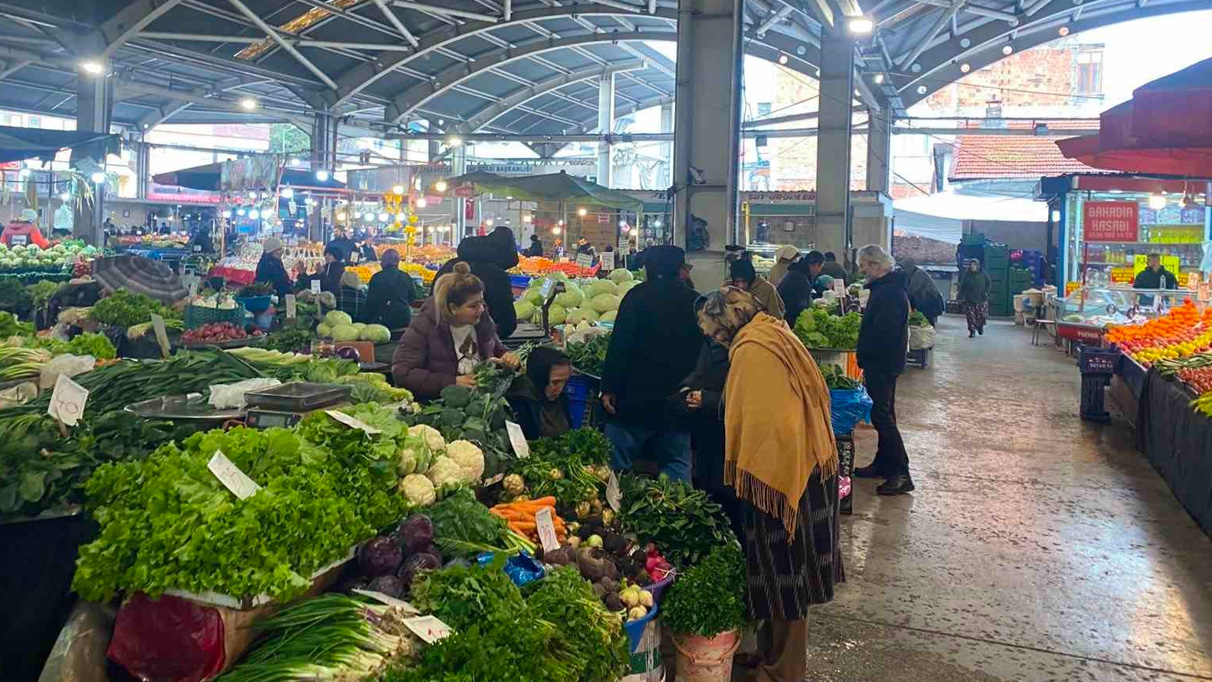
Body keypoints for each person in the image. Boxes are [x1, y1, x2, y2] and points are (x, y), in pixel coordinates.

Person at [696, 287, 842, 682]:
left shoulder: (752, 350)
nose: (714, 339)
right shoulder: (771, 331)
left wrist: (760, 472)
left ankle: (784, 671)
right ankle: (768, 654)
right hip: (803, 468)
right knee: (771, 574)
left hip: (783, 479)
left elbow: (766, 423)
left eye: (715, 330)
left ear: (729, 319)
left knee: (787, 578)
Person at [601, 245, 702, 482]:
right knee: (678, 465)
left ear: (648, 268)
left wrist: (609, 387)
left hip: (635, 397)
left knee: (615, 466)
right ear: (679, 269)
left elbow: (620, 345)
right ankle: (678, 503)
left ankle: (615, 502)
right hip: (678, 400)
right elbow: (703, 351)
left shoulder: (636, 297)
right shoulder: (694, 301)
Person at [392, 262, 519, 399]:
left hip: (481, 399)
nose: (481, 309)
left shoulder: (482, 320)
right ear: (453, 308)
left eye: (481, 302)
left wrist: (508, 357)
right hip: (440, 402)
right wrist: (451, 382)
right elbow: (402, 372)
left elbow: (497, 348)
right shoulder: (425, 325)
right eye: (473, 306)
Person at [853, 244, 914, 496]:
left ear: (876, 266)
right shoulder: (886, 288)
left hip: (882, 363)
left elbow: (884, 333)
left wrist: (868, 354)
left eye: (864, 266)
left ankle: (901, 472)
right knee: (884, 413)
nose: (862, 271)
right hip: (881, 362)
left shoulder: (890, 293)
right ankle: (884, 463)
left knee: (882, 416)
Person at [430, 227, 519, 339]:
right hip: (476, 340)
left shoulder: (449, 266)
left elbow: (431, 304)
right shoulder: (495, 276)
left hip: (438, 335)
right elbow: (506, 323)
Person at [506, 346, 573, 440]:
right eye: (555, 382)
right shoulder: (519, 402)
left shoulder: (561, 399)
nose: (560, 389)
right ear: (540, 378)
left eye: (565, 382)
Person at [364, 248, 418, 329]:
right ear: (398, 262)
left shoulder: (377, 277)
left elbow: (370, 302)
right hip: (403, 317)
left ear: (383, 262)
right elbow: (412, 298)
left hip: (382, 319)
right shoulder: (405, 276)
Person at [777, 255, 822, 327]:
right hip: (787, 320)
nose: (820, 270)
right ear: (816, 265)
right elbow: (801, 306)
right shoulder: (800, 278)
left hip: (783, 315)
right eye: (821, 266)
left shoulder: (796, 272)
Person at [901, 259, 945, 327]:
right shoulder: (913, 274)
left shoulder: (919, 274)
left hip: (929, 300)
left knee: (927, 321)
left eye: (904, 268)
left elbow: (912, 290)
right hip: (925, 300)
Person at [957, 259, 991, 338]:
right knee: (970, 316)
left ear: (978, 266)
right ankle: (972, 331)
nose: (973, 266)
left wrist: (986, 292)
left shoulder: (982, 273)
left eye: (974, 265)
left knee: (981, 315)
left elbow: (989, 283)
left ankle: (980, 326)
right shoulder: (967, 275)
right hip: (970, 298)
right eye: (971, 265)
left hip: (981, 298)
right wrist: (960, 296)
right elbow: (963, 286)